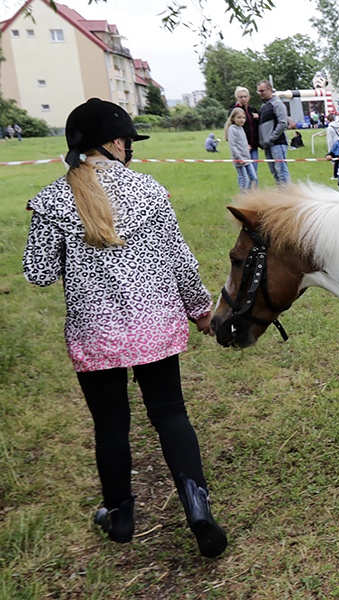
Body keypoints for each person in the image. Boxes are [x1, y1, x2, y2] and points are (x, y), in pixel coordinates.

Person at [21, 98, 227, 558]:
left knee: (110, 426)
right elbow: (179, 260)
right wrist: (199, 310)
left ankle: (119, 514)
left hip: (96, 332)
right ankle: (198, 507)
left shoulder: (54, 199)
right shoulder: (151, 191)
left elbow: (37, 273)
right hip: (155, 324)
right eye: (128, 142)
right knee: (171, 413)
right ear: (115, 143)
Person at [256, 80, 290, 184]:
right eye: (258, 91)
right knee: (274, 172)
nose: (260, 93)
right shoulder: (264, 106)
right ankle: (280, 194)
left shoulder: (278, 104)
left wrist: (271, 138)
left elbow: (283, 123)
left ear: (270, 90)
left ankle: (288, 195)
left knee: (281, 172)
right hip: (267, 145)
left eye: (262, 91)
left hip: (277, 144)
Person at [225, 107, 257, 192]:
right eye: (239, 118)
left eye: (243, 117)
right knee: (244, 180)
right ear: (233, 118)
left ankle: (248, 195)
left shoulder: (241, 128)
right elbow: (233, 145)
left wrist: (247, 147)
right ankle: (242, 199)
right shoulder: (232, 129)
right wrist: (239, 158)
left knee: (253, 177)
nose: (241, 120)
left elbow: (241, 142)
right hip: (239, 159)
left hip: (247, 158)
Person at [232, 86, 260, 177]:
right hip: (242, 147)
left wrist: (258, 118)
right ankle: (245, 191)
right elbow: (232, 129)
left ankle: (253, 190)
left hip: (254, 145)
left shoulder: (252, 109)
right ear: (237, 98)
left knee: (254, 172)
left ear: (249, 97)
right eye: (241, 97)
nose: (243, 99)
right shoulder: (234, 110)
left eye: (245, 96)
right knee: (244, 174)